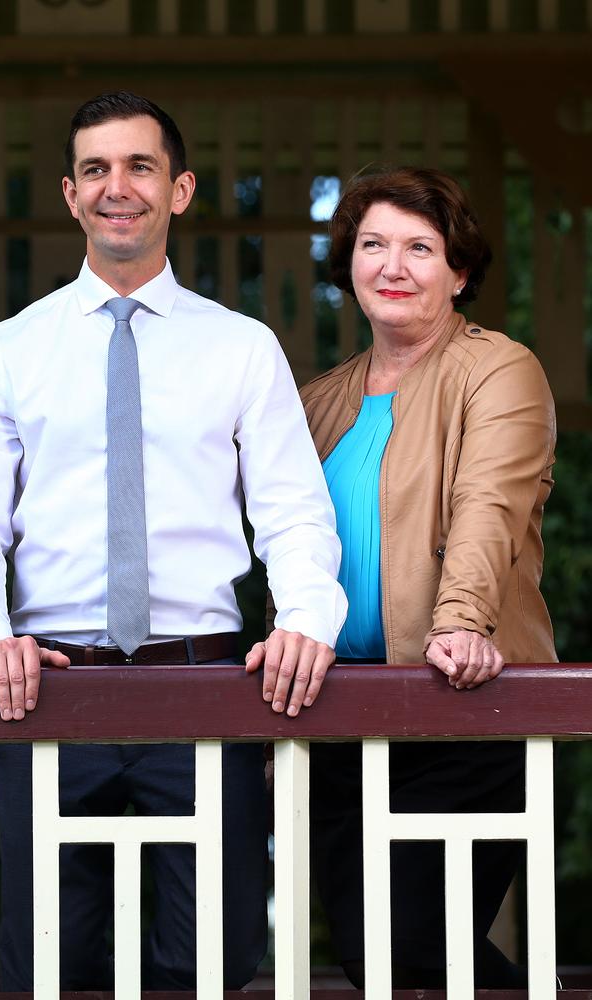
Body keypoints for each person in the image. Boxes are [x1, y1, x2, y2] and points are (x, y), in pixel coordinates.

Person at [0, 91, 347, 991]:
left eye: (139, 167)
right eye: (96, 169)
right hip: (46, 691)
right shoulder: (6, 352)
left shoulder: (243, 349)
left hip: (205, 686)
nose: (116, 186)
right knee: (50, 964)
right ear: (70, 194)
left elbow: (292, 512)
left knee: (213, 965)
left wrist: (307, 621)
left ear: (181, 190)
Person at [287, 166, 556, 989]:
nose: (392, 266)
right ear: (350, 263)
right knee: (375, 959)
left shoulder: (500, 371)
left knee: (423, 950)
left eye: (419, 248)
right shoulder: (315, 401)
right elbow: (285, 549)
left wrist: (461, 625)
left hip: (459, 708)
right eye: (373, 245)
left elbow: (487, 506)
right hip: (338, 720)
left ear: (460, 270)